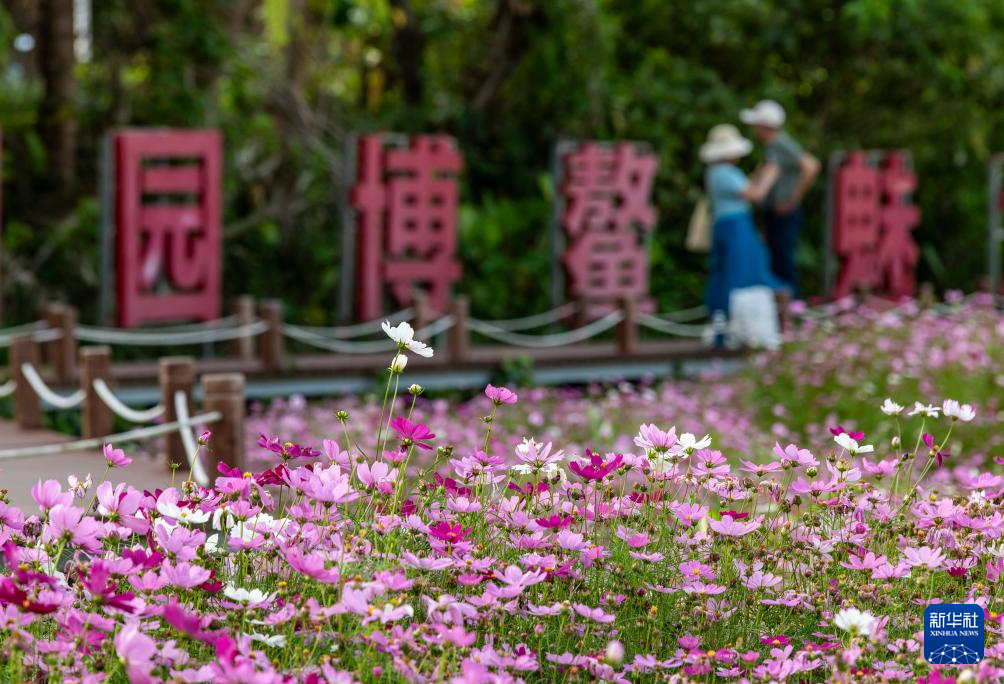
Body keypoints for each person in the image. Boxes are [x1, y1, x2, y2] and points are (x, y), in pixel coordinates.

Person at [699, 124, 788, 335]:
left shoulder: (716, 173)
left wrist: (760, 174)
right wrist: (771, 175)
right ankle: (736, 327)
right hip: (734, 226)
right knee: (738, 273)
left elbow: (746, 187)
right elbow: (755, 195)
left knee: (727, 272)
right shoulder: (725, 173)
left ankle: (722, 322)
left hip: (727, 225)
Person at [739, 100, 820, 295]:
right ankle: (783, 310)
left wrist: (793, 199)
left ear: (764, 126)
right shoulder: (772, 146)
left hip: (784, 212)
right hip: (773, 211)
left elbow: (811, 166)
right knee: (775, 258)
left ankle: (792, 308)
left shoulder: (780, 142)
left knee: (783, 260)